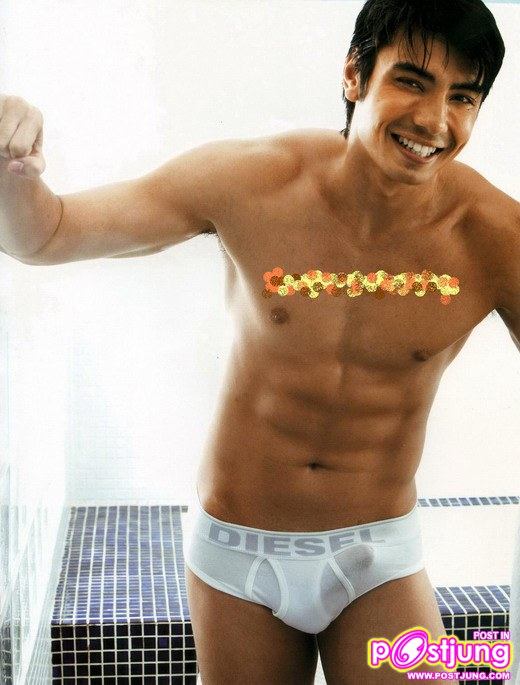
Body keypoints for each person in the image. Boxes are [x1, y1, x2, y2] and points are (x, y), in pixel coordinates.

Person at [0, 0, 518, 681]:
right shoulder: (250, 182)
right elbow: (46, 235)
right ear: (354, 74)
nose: (434, 120)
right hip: (237, 556)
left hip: (378, 556)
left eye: (463, 97)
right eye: (412, 81)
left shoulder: (495, 237)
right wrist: (12, 169)